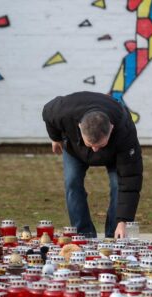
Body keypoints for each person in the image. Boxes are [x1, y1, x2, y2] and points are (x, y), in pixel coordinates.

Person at [42, 91, 143, 238]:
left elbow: (130, 179)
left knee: (117, 184)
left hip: (115, 153)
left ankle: (113, 234)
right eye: (90, 144)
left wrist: (123, 221)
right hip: (75, 148)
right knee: (72, 182)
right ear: (79, 126)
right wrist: (55, 137)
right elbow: (47, 113)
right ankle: (83, 234)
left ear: (112, 128)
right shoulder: (62, 110)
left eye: (100, 145)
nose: (95, 149)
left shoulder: (125, 131)